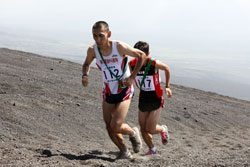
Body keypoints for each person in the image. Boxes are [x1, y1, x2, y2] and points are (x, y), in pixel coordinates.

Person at [82, 21, 146, 159]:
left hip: (124, 90)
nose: (98, 39)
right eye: (94, 36)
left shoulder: (119, 47)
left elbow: (141, 56)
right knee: (109, 127)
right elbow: (86, 64)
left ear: (108, 34)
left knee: (115, 125)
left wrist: (132, 77)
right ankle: (124, 151)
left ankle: (133, 133)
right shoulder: (92, 50)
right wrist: (85, 75)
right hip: (109, 92)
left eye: (101, 35)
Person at [129, 41, 172, 155]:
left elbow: (167, 68)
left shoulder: (154, 63)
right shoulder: (132, 64)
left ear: (148, 54)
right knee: (143, 128)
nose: (139, 58)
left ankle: (162, 129)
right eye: (136, 54)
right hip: (143, 97)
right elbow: (131, 78)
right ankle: (152, 149)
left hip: (156, 98)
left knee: (150, 129)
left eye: (141, 55)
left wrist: (167, 87)